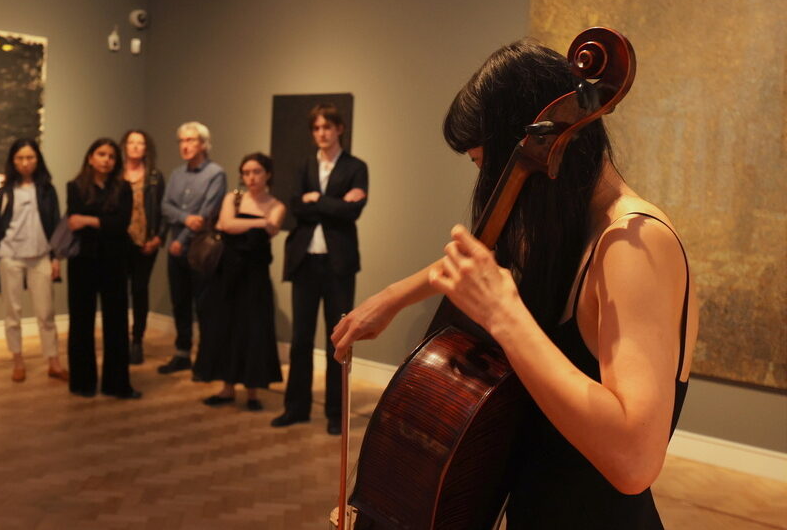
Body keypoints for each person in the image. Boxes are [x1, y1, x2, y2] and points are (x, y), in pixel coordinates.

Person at [331, 40, 697, 528]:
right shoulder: (568, 229)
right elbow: (481, 259)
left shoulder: (634, 244)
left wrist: (505, 316)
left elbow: (635, 460)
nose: (495, 187)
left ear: (540, 147)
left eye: (486, 166)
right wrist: (391, 298)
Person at [272, 104, 368, 436]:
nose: (321, 133)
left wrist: (318, 201)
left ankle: (334, 413)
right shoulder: (303, 164)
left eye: (327, 127)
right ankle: (294, 408)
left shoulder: (356, 167)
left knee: (337, 339)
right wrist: (333, 203)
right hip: (304, 262)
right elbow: (295, 206)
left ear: (340, 129)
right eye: (316, 128)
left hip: (338, 264)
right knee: (300, 339)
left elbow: (352, 213)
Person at [193, 153, 286, 411]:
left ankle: (252, 392)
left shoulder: (276, 204)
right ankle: (226, 388)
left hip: (255, 278)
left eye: (256, 171)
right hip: (227, 276)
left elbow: (275, 226)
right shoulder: (232, 198)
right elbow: (226, 224)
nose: (251, 177)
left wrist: (252, 224)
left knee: (254, 331)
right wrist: (259, 222)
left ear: (267, 173)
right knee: (225, 328)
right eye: (246, 172)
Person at [0, 138, 66, 383]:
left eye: (30, 157)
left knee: (46, 312)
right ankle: (17, 361)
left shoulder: (47, 190)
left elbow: (55, 223)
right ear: (13, 161)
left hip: (40, 256)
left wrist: (55, 256)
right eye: (20, 158)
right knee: (13, 313)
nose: (25, 163)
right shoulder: (6, 191)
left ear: (37, 159)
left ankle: (54, 361)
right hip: (10, 257)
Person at [65, 138, 140, 399]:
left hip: (114, 261)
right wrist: (101, 222)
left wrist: (88, 219)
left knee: (117, 322)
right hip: (82, 261)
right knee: (81, 321)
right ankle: (82, 382)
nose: (106, 159)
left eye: (111, 155)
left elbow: (120, 224)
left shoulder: (124, 188)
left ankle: (116, 384)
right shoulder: (75, 187)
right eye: (101, 154)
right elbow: (72, 222)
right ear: (90, 157)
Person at [158, 122, 226, 374]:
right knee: (180, 302)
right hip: (176, 250)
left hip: (200, 249)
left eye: (191, 141)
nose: (185, 146)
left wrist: (181, 238)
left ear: (204, 144)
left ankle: (206, 359)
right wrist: (185, 219)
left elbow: (206, 213)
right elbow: (165, 207)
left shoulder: (215, 174)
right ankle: (182, 353)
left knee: (204, 304)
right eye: (182, 141)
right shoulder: (176, 174)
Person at [120, 129, 166, 365]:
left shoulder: (155, 177)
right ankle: (118, 339)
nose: (136, 147)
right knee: (117, 291)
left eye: (141, 143)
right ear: (125, 146)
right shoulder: (116, 174)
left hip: (146, 241)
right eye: (132, 142)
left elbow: (164, 210)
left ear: (146, 148)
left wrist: (159, 238)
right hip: (119, 241)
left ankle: (137, 340)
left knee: (139, 290)